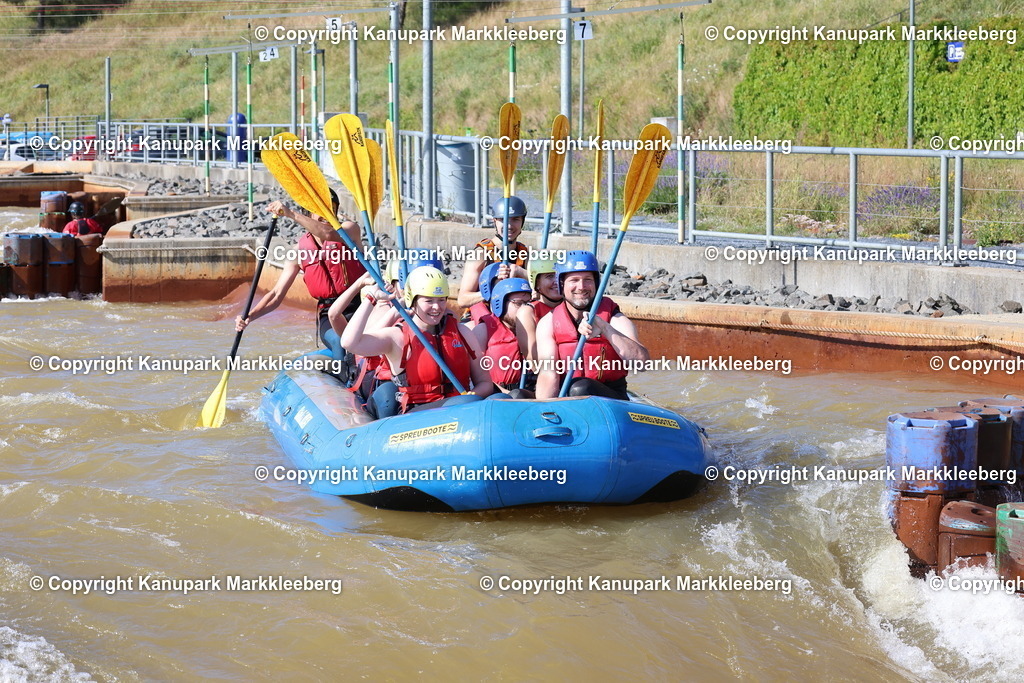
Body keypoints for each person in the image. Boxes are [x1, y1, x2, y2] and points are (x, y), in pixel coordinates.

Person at [235, 189, 365, 379]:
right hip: (328, 315)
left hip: (360, 308)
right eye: (319, 210)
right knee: (340, 340)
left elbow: (328, 233)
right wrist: (249, 316)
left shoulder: (349, 230)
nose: (325, 214)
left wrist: (290, 213)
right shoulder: (298, 252)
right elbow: (276, 294)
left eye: (330, 209)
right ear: (308, 214)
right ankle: (346, 382)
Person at [342, 265, 493, 414]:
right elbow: (349, 343)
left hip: (460, 409)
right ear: (412, 300)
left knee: (500, 398)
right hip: (417, 415)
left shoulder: (462, 332)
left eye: (441, 300)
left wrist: (472, 396)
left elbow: (485, 382)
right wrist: (371, 298)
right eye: (429, 301)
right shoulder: (396, 337)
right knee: (465, 401)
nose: (437, 307)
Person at [535, 250, 649, 401]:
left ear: (596, 283)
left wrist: (604, 328)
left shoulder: (614, 318)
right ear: (561, 284)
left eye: (587, 280)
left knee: (580, 388)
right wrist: (543, 409)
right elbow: (548, 374)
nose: (581, 287)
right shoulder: (547, 323)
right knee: (519, 395)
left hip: (611, 398)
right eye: (574, 280)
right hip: (568, 398)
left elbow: (642, 364)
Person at [457, 196, 530, 312]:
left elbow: (541, 290)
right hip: (484, 316)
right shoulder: (480, 254)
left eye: (515, 219)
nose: (509, 226)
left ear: (522, 222)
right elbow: (463, 300)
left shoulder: (525, 253)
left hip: (514, 315)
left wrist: (522, 272)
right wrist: (494, 289)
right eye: (503, 220)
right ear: (495, 221)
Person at [473, 277, 533, 397]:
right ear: (500, 303)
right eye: (519, 304)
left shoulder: (536, 327)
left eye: (528, 304)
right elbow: (474, 374)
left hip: (529, 392)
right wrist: (506, 393)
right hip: (496, 395)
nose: (524, 309)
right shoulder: (483, 330)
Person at [516, 255, 563, 363]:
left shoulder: (573, 308)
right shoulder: (527, 312)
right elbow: (533, 359)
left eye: (559, 275)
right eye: (550, 276)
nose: (556, 281)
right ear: (536, 283)